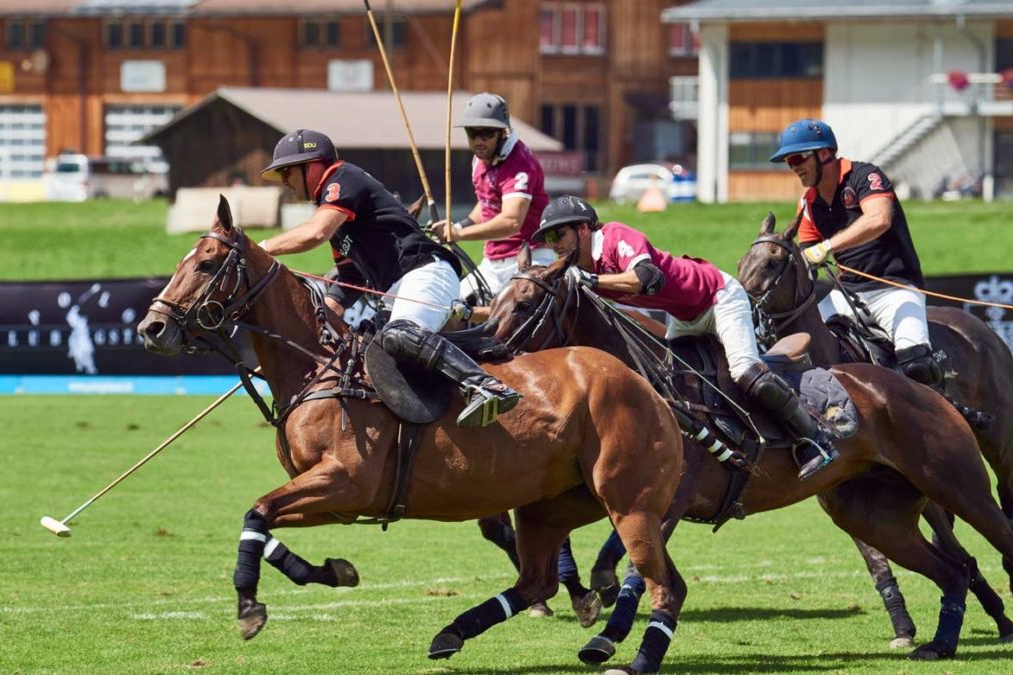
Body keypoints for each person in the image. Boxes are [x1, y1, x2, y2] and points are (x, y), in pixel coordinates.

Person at [531, 195, 838, 481]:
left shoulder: (614, 236)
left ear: (584, 229)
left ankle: (813, 438)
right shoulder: (581, 268)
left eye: (558, 235)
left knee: (744, 370)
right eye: (547, 239)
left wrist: (592, 280)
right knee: (669, 383)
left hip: (719, 297)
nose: (553, 244)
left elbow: (649, 278)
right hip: (686, 316)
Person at [259, 128, 520, 428]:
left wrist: (261, 248)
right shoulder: (336, 212)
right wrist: (325, 316)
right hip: (401, 287)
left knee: (400, 334)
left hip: (425, 272)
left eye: (287, 173)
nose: (286, 184)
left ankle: (487, 386)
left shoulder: (341, 178)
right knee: (367, 349)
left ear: (312, 165)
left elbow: (315, 233)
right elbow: (349, 275)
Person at [769, 118, 942, 387]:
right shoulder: (807, 203)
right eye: (789, 162)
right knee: (803, 349)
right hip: (846, 293)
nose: (794, 168)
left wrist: (826, 247)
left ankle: (940, 421)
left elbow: (879, 219)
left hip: (894, 289)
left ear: (824, 154)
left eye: (798, 159)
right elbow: (807, 253)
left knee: (917, 363)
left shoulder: (864, 177)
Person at [430, 92, 555, 302]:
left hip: (529, 260)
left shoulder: (520, 165)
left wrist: (459, 235)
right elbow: (487, 203)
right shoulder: (480, 160)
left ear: (502, 132)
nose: (478, 141)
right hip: (492, 263)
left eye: (486, 134)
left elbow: (511, 221)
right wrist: (458, 226)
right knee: (449, 307)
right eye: (472, 133)